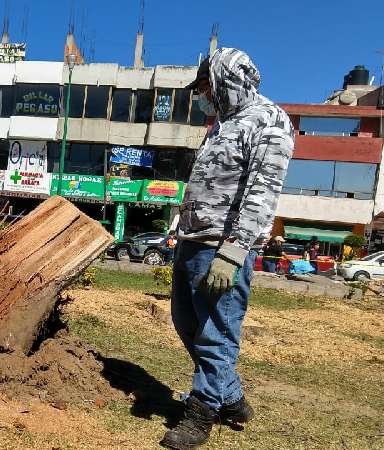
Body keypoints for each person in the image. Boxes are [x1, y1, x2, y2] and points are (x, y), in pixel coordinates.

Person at [162, 48, 294, 449]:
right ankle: (231, 397)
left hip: (223, 248)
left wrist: (234, 251)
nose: (202, 95)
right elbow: (204, 184)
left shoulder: (269, 121)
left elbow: (262, 191)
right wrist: (178, 227)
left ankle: (201, 415)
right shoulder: (222, 124)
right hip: (193, 240)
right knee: (186, 322)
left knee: (216, 331)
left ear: (223, 81)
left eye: (205, 87)